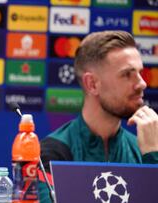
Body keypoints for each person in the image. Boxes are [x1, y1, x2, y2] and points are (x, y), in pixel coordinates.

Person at [38, 30, 158, 203]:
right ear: (92, 84)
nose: (142, 83)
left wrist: (153, 159)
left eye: (139, 72)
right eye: (127, 74)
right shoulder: (53, 152)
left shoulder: (146, 150)